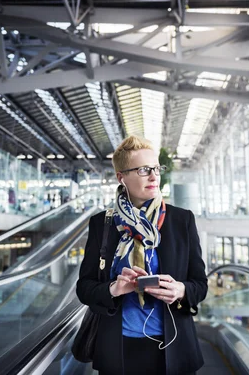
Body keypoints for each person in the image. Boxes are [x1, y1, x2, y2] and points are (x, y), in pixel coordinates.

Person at [76, 136, 208, 375]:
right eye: (144, 170)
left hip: (174, 347)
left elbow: (200, 285)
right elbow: (84, 288)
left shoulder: (181, 220)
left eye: (156, 168)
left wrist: (180, 290)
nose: (154, 176)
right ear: (121, 177)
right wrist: (113, 289)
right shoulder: (102, 224)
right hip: (119, 348)